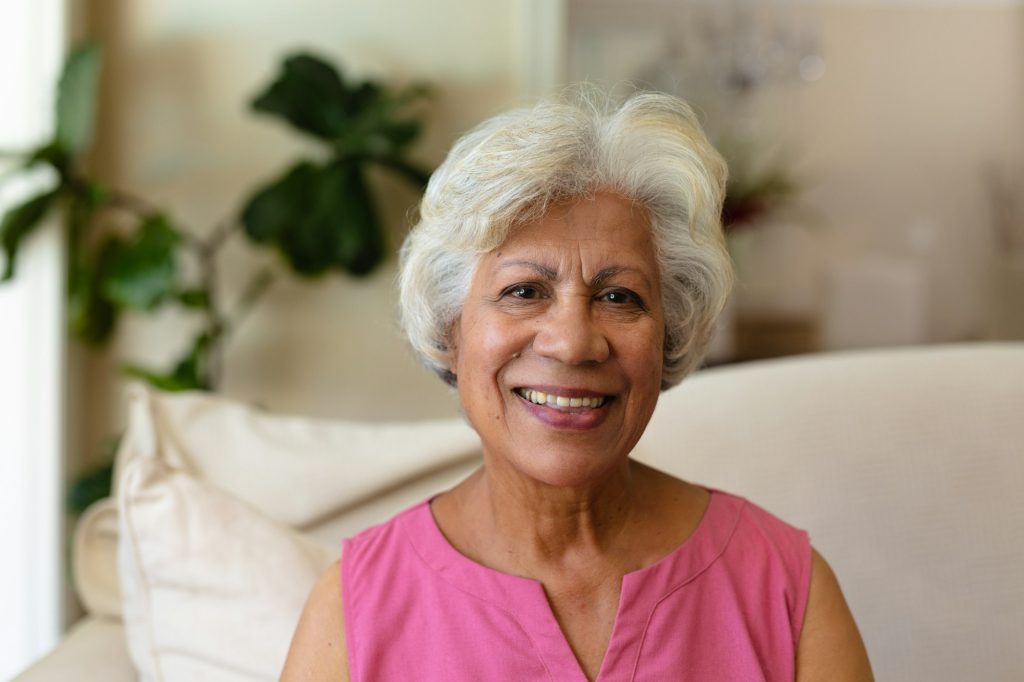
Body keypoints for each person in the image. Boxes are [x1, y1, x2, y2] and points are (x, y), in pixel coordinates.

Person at [280, 89, 873, 681]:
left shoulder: (786, 589)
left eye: (619, 297)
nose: (572, 342)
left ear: (668, 334)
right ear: (450, 328)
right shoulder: (352, 613)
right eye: (524, 291)